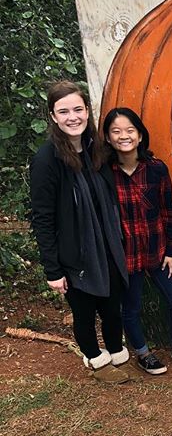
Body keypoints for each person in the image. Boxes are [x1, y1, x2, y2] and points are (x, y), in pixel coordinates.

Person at [30, 81, 130, 383]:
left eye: (78, 109)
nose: (72, 117)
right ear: (53, 116)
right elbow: (43, 218)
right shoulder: (47, 160)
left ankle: (116, 351)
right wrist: (53, 269)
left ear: (87, 111)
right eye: (64, 111)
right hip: (75, 253)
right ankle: (96, 360)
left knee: (113, 307)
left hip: (109, 246)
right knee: (84, 312)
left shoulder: (97, 150)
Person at [103, 107, 172, 375]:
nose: (123, 136)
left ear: (139, 135)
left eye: (129, 130)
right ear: (107, 138)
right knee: (132, 308)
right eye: (116, 131)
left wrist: (171, 250)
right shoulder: (104, 174)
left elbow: (169, 212)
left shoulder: (156, 169)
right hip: (125, 256)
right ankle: (143, 353)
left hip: (158, 251)